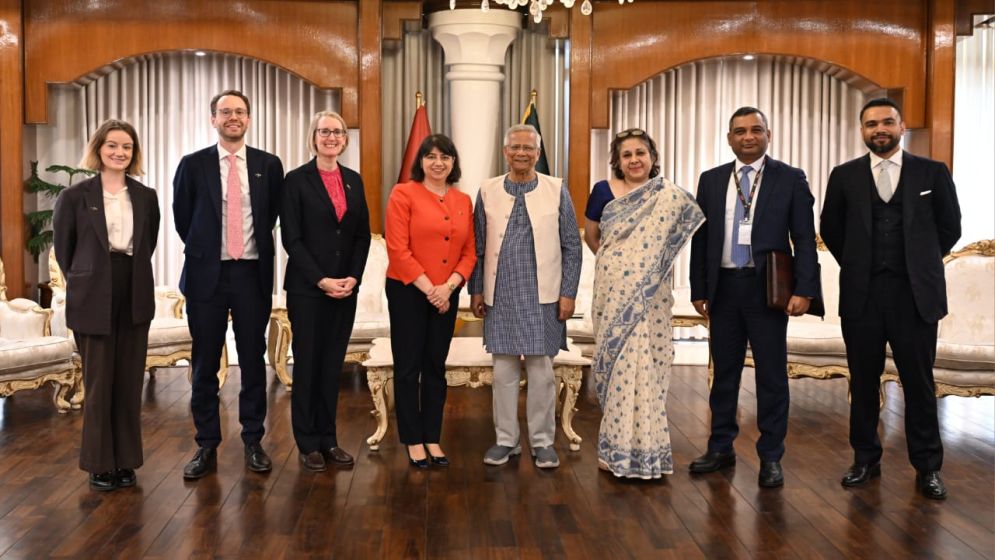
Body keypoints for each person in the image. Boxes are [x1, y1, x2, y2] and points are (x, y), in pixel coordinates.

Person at [820, 98, 961, 500]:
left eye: (886, 122)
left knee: (919, 384)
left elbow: (950, 227)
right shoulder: (844, 175)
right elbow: (831, 229)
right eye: (871, 124)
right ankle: (865, 459)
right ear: (862, 130)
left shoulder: (932, 172)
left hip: (915, 297)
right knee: (863, 382)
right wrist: (860, 262)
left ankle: (928, 467)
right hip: (862, 296)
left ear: (901, 127)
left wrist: (918, 261)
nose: (879, 129)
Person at [688, 106, 819, 488]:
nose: (748, 136)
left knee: (772, 376)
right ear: (729, 138)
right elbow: (702, 238)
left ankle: (771, 456)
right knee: (724, 374)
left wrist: (805, 289)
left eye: (756, 130)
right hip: (724, 290)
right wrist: (699, 288)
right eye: (740, 131)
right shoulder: (711, 180)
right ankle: (720, 447)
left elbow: (804, 238)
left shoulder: (790, 178)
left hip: (768, 291)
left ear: (768, 135)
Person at [173, 89, 284, 480]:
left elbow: (271, 217)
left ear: (248, 119)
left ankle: (253, 440)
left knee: (253, 360)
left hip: (252, 275)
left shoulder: (269, 165)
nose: (233, 117)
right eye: (225, 112)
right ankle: (206, 444)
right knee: (205, 362)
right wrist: (208, 250)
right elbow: (183, 219)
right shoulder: (192, 164)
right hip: (207, 276)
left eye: (239, 111)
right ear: (213, 119)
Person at [585, 128, 704, 479]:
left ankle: (648, 451)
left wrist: (642, 272)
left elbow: (684, 232)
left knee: (650, 364)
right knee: (617, 362)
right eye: (627, 155)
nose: (634, 160)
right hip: (613, 290)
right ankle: (615, 450)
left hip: (652, 297)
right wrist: (620, 263)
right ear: (617, 161)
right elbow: (592, 235)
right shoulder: (602, 191)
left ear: (652, 157)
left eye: (641, 153)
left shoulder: (669, 196)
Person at [53, 119, 160, 491]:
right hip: (91, 293)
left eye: (127, 147)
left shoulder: (146, 196)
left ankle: (126, 460)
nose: (120, 152)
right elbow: (65, 251)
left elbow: (149, 242)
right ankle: (99, 463)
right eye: (112, 145)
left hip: (134, 289)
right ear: (98, 149)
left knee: (128, 381)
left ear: (134, 152)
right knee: (99, 383)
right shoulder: (74, 196)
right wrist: (86, 278)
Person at [469, 123, 582, 470]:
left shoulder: (556, 189)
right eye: (515, 147)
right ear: (505, 152)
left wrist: (568, 293)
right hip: (500, 293)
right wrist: (476, 289)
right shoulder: (487, 190)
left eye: (528, 148)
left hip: (543, 295)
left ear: (538, 153)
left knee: (541, 372)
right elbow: (477, 246)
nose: (522, 153)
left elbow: (572, 246)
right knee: (502, 371)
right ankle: (506, 440)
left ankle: (543, 442)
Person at [281, 111, 370, 472]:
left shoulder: (353, 180)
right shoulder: (295, 180)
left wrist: (353, 277)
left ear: (345, 140)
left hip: (344, 290)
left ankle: (328, 439)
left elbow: (361, 235)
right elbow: (292, 239)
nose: (331, 137)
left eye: (337, 132)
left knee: (332, 365)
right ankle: (307, 442)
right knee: (308, 365)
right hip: (308, 290)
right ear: (313, 137)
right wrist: (321, 280)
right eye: (324, 131)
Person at [385, 134, 476, 468]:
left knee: (436, 366)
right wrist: (432, 290)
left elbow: (470, 252)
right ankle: (413, 439)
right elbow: (397, 249)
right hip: (408, 290)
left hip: (446, 293)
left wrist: (448, 288)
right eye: (431, 156)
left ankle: (432, 437)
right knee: (408, 367)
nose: (438, 163)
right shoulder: (403, 193)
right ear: (420, 161)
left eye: (445, 157)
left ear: (453, 163)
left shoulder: (463, 200)